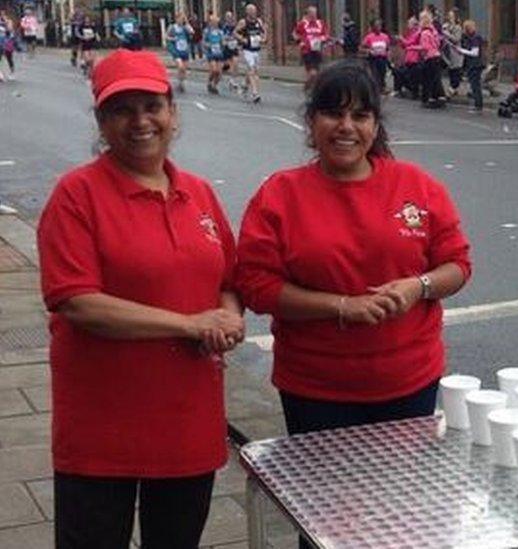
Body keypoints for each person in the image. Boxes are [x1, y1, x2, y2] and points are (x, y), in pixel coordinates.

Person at [235, 64, 471, 549]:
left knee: (401, 515)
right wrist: (338, 307)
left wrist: (417, 286)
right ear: (311, 123)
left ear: (376, 126)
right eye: (333, 113)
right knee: (326, 523)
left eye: (361, 115)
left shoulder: (417, 187)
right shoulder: (280, 195)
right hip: (318, 392)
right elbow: (257, 286)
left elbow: (457, 265)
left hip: (408, 385)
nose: (347, 127)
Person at [36, 49, 243, 549]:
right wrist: (191, 325)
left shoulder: (198, 193)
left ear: (172, 111)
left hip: (187, 420)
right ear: (102, 122)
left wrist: (229, 319)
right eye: (122, 109)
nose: (140, 121)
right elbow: (77, 301)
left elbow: (231, 280)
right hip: (103, 427)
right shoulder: (76, 196)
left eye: (151, 106)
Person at [235, 4, 266, 103]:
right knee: (252, 71)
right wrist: (242, 39)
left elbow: (264, 31)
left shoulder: (259, 21)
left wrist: (263, 38)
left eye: (255, 11)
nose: (254, 13)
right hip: (247, 50)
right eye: (251, 11)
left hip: (256, 49)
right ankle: (255, 93)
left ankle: (244, 84)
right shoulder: (243, 22)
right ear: (247, 12)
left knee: (254, 70)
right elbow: (234, 32)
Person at [294, 5, 329, 87]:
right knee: (312, 72)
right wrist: (300, 41)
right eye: (312, 14)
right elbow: (295, 34)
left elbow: (326, 35)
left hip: (317, 49)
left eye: (315, 13)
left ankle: (310, 85)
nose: (314, 15)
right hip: (307, 51)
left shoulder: (320, 23)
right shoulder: (303, 24)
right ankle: (311, 86)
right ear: (308, 14)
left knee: (317, 71)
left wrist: (322, 39)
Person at [455, 19, 485, 113]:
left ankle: (478, 106)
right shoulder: (473, 37)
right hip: (474, 64)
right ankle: (477, 105)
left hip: (475, 65)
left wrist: (462, 51)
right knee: (475, 85)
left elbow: (474, 53)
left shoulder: (475, 38)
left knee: (475, 86)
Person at [417, 11, 446, 108]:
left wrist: (413, 48)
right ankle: (440, 97)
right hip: (437, 56)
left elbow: (425, 48)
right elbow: (438, 44)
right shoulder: (434, 32)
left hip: (429, 58)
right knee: (436, 78)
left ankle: (428, 99)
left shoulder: (424, 33)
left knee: (427, 80)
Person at [361, 18, 391, 92]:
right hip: (373, 59)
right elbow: (361, 48)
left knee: (382, 73)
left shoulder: (385, 36)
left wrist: (388, 55)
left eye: (380, 25)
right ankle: (375, 88)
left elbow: (388, 48)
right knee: (374, 74)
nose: (379, 27)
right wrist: (368, 51)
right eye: (377, 25)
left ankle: (382, 87)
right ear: (373, 27)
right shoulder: (369, 37)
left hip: (383, 58)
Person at [166, 13, 194, 93]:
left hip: (184, 50)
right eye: (180, 19)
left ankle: (181, 83)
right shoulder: (172, 27)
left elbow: (192, 32)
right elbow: (167, 37)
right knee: (180, 67)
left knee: (184, 69)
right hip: (176, 50)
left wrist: (187, 23)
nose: (181, 21)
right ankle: (179, 82)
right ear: (176, 19)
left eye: (182, 19)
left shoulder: (185, 27)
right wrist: (173, 39)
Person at [395, 16, 422, 98]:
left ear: (414, 24)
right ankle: (403, 90)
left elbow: (409, 43)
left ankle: (414, 92)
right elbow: (405, 45)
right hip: (409, 58)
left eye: (409, 23)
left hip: (415, 58)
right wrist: (401, 41)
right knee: (401, 72)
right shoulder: (410, 33)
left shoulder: (417, 33)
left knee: (413, 76)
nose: (407, 25)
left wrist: (402, 39)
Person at [442, 8, 464, 98]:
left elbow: (456, 39)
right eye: (449, 16)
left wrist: (446, 33)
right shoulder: (446, 26)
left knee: (456, 71)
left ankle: (453, 88)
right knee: (451, 71)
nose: (449, 18)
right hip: (448, 52)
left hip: (455, 52)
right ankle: (454, 89)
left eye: (451, 16)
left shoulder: (458, 27)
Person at [221, 11, 242, 93]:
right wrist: (225, 40)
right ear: (225, 18)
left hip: (234, 47)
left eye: (230, 17)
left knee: (235, 63)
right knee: (228, 65)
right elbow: (222, 37)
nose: (229, 18)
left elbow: (239, 36)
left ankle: (232, 80)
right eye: (227, 17)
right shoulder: (224, 27)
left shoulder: (235, 27)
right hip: (227, 48)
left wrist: (239, 42)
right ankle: (222, 72)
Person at [203, 14, 225, 94]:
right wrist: (207, 45)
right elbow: (204, 42)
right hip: (211, 53)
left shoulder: (220, 32)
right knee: (214, 70)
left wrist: (224, 44)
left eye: (216, 22)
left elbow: (223, 42)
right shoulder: (207, 31)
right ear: (210, 22)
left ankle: (214, 86)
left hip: (219, 53)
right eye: (213, 22)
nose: (215, 23)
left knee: (219, 72)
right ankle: (209, 82)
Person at [76, 14, 99, 78]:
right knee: (87, 59)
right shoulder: (81, 27)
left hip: (92, 43)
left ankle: (91, 72)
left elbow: (96, 33)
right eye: (86, 19)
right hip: (85, 44)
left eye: (88, 19)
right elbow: (78, 34)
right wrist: (82, 37)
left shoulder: (92, 26)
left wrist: (97, 37)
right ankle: (86, 67)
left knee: (91, 59)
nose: (87, 20)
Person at [0, 12, 15, 81]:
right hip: (1, 42)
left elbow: (10, 30)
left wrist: (6, 24)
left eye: (4, 14)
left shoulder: (9, 21)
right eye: (1, 14)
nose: (3, 16)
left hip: (8, 42)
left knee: (9, 58)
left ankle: (12, 73)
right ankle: (1, 74)